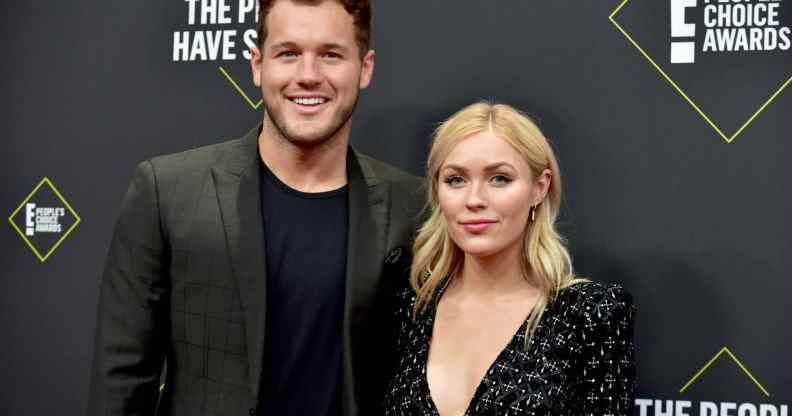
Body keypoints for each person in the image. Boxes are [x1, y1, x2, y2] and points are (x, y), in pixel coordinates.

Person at [88, 1, 424, 415]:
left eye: (331, 55)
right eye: (288, 53)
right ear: (256, 65)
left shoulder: (415, 206)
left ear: (365, 68)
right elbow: (121, 380)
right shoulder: (166, 192)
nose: (308, 76)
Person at [384, 102, 636, 415]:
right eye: (455, 180)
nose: (474, 200)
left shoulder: (589, 315)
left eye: (499, 179)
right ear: (437, 191)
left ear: (539, 188)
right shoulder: (412, 306)